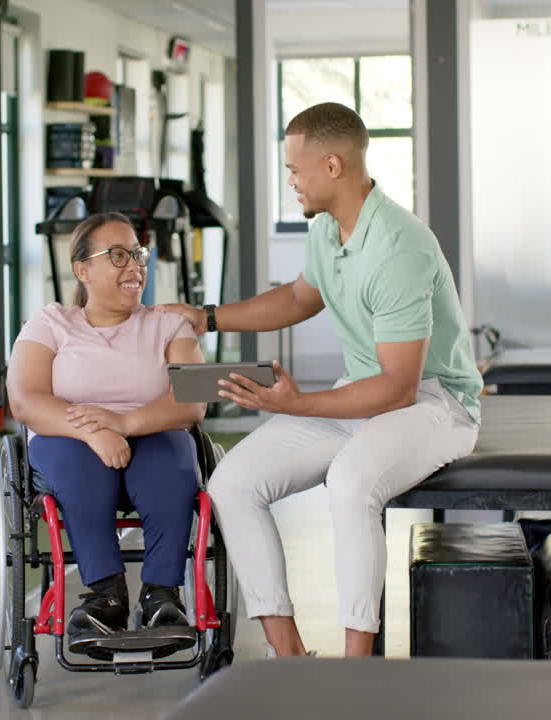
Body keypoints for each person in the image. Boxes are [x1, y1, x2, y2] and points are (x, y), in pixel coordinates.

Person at [160, 102, 483, 657]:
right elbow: (296, 298)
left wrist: (300, 403)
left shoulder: (399, 248)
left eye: (295, 170)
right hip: (361, 398)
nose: (291, 183)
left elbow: (399, 387)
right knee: (232, 484)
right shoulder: (329, 230)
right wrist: (206, 316)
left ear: (332, 166)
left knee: (352, 483)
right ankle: (291, 658)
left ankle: (355, 670)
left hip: (433, 405)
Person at [6, 212, 206, 655]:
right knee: (83, 467)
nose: (134, 267)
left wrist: (123, 424)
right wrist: (94, 433)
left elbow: (192, 402)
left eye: (137, 254)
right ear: (82, 270)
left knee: (173, 460)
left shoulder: (169, 324)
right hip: (68, 440)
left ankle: (161, 597)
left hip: (153, 431)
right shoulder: (51, 323)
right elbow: (26, 400)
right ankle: (105, 596)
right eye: (117, 256)